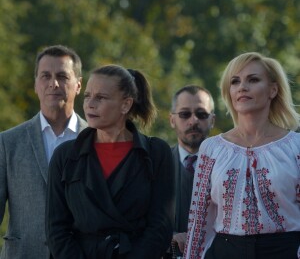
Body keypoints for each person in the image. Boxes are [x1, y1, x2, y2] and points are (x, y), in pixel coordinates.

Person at [45, 64, 175, 259]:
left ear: (126, 104)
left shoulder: (156, 153)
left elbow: (160, 227)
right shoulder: (65, 156)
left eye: (101, 97)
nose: (90, 104)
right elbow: (56, 228)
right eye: (88, 96)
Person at [184, 52, 300, 259]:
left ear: (273, 90)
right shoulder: (211, 148)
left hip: (284, 251)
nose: (242, 87)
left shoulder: (295, 147)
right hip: (225, 251)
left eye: (253, 80)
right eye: (235, 82)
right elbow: (199, 219)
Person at [0, 45, 87, 259]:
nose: (53, 83)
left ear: (78, 84)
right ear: (36, 84)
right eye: (45, 76)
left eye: (62, 76)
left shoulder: (96, 139)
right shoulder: (7, 142)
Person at [163, 85, 215, 259]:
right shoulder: (155, 165)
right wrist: (169, 237)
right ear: (172, 120)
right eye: (185, 114)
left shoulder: (228, 166)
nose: (193, 121)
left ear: (212, 120)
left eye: (201, 114)